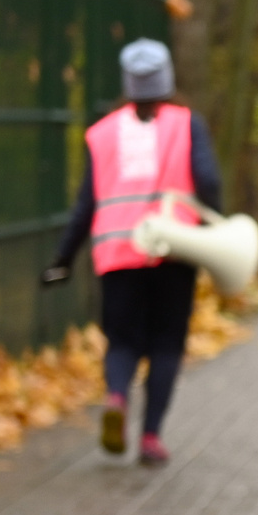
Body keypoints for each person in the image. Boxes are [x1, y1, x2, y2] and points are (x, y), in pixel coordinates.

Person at [42, 39, 223, 467]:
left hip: (116, 253)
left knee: (122, 341)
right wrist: (216, 224)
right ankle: (151, 438)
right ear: (167, 80)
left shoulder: (101, 133)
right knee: (166, 344)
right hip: (175, 250)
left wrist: (62, 259)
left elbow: (86, 205)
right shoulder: (185, 123)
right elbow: (208, 179)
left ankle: (117, 396)